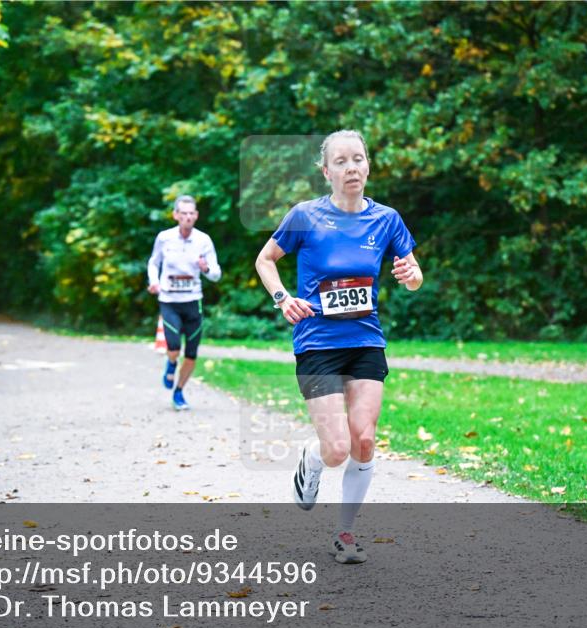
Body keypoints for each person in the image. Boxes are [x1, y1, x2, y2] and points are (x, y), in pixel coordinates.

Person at [254, 130, 422, 564]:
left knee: (364, 440)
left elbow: (414, 273)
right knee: (337, 449)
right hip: (317, 343)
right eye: (342, 161)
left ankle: (345, 533)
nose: (352, 168)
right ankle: (311, 460)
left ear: (368, 165)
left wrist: (410, 275)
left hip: (366, 340)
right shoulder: (305, 216)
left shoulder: (387, 219)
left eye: (359, 159)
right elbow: (265, 260)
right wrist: (282, 298)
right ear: (326, 171)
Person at [147, 195, 221, 410]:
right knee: (173, 347)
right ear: (176, 215)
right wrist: (154, 282)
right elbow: (153, 263)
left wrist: (205, 268)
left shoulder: (203, 240)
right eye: (184, 213)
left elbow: (216, 274)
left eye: (191, 213)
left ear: (196, 216)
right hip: (169, 300)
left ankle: (179, 392)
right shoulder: (164, 238)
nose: (188, 217)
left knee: (191, 354)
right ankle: (170, 364)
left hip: (192, 302)